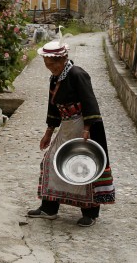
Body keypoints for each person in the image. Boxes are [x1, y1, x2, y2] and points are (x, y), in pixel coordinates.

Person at [28, 40, 115, 227]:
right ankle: (49, 208)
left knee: (84, 167)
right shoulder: (55, 78)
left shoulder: (78, 74)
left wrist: (86, 129)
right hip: (67, 126)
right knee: (51, 162)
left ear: (64, 58)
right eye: (47, 64)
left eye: (53, 64)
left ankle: (90, 212)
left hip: (84, 127)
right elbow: (53, 107)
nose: (50, 68)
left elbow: (90, 102)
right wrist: (48, 132)